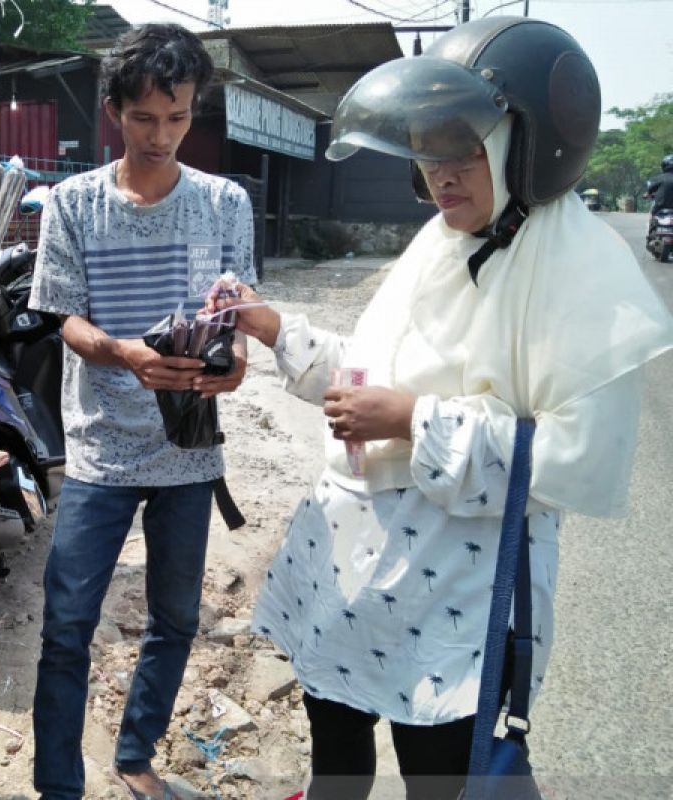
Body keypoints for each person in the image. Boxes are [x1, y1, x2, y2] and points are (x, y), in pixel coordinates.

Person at [206, 17, 672, 800]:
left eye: (462, 151)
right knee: (338, 770)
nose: (440, 176)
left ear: (529, 147)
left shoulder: (582, 274)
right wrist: (279, 327)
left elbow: (572, 459)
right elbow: (375, 370)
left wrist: (414, 421)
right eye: (428, 153)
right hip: (349, 581)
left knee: (437, 781)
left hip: (453, 602)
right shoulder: (442, 241)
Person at [28, 23, 256, 800]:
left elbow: (238, 312)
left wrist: (234, 363)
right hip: (99, 449)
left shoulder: (225, 203)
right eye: (144, 118)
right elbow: (63, 316)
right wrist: (124, 352)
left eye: (179, 117)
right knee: (65, 626)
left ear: (195, 112)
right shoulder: (72, 203)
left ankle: (134, 756)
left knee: (176, 620)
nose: (162, 135)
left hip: (189, 451)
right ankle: (58, 784)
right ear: (114, 112)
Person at [644, 154, 673, 219]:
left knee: (652, 216)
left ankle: (651, 228)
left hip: (660, 208)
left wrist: (647, 195)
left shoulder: (658, 178)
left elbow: (649, 190)